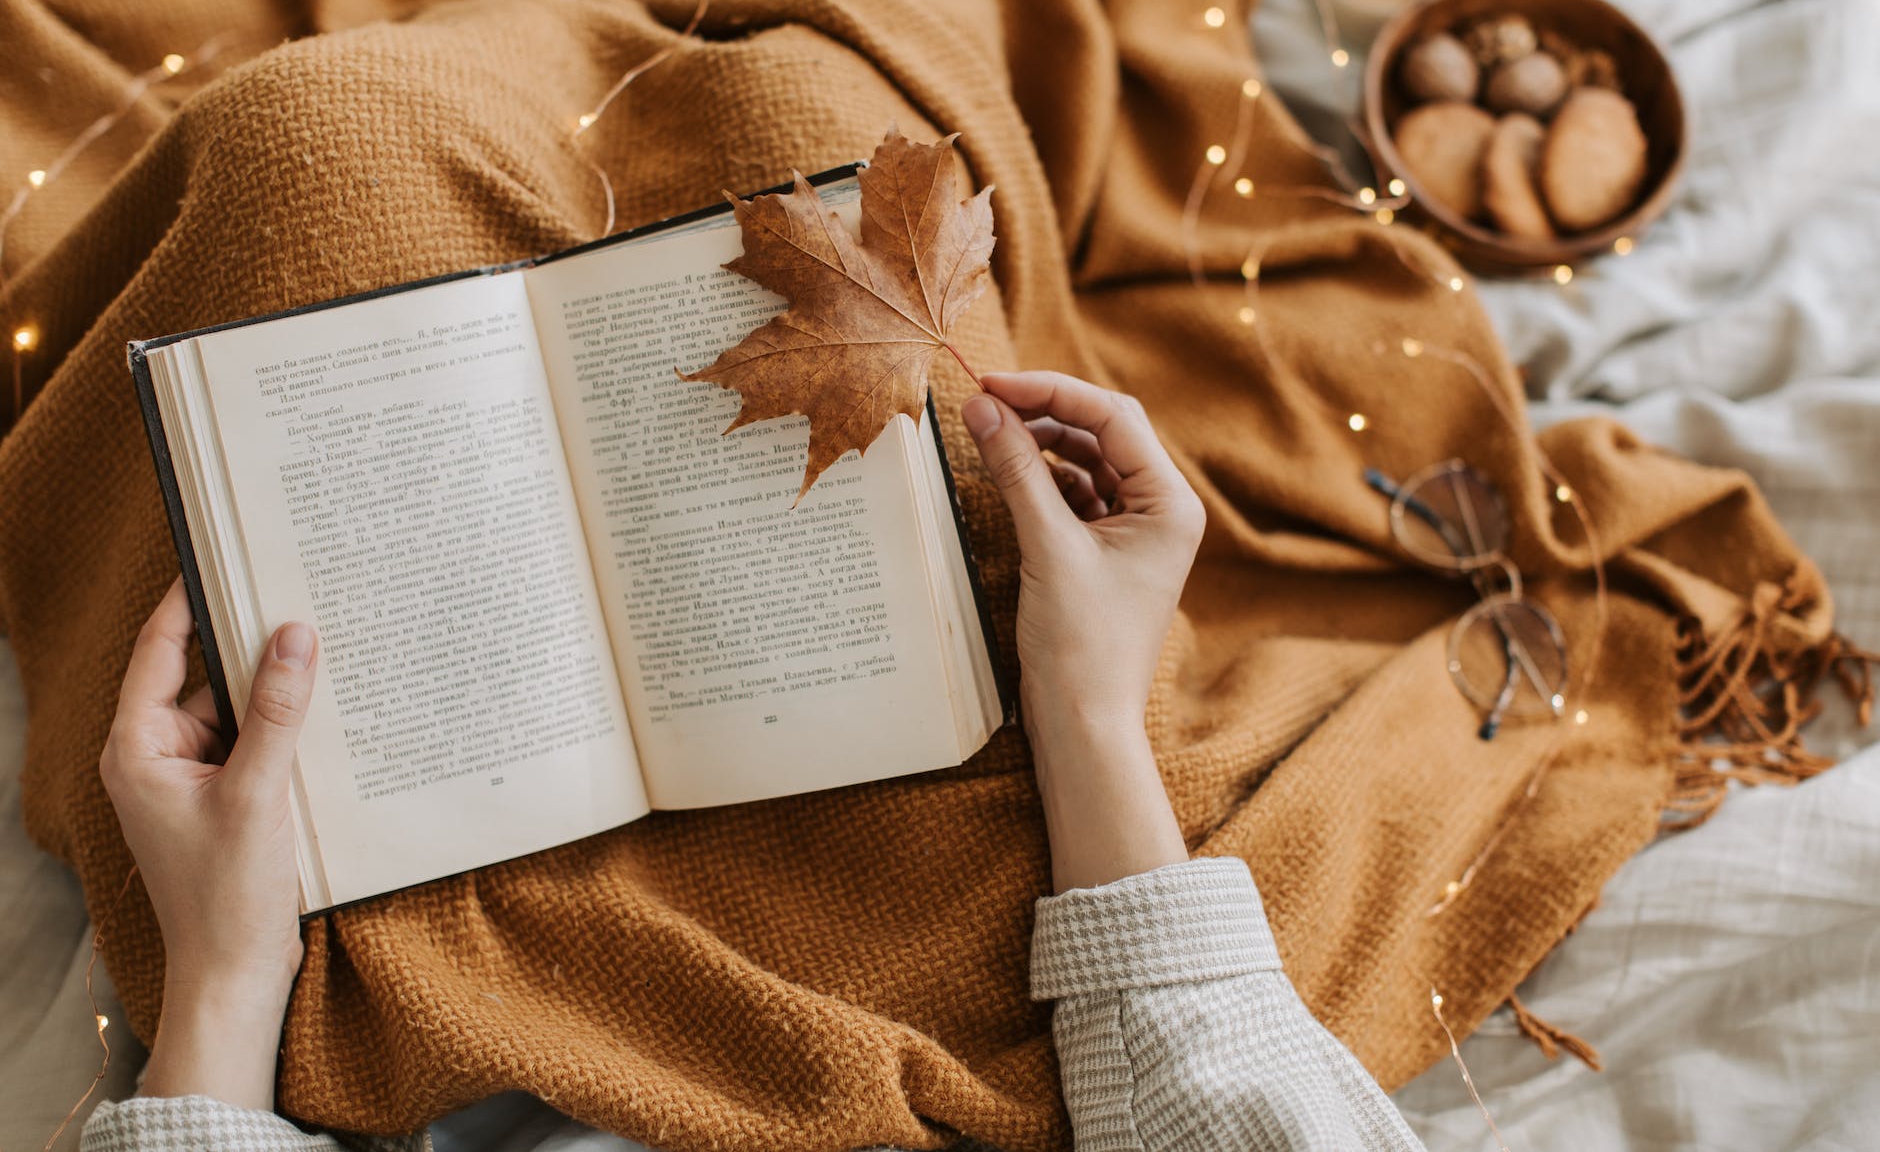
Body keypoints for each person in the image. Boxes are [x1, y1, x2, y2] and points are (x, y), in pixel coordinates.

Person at [84, 371, 1424, 1152]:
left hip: (472, 967)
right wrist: (1084, 711)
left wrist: (224, 973)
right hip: (992, 865)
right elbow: (1229, 1108)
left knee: (309, 143)